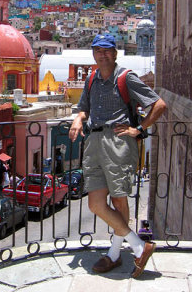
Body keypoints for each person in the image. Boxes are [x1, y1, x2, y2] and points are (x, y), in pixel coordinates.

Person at [69, 34, 167, 278]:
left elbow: (159, 104)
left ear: (114, 53)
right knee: (96, 204)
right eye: (97, 50)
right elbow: (84, 108)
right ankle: (138, 246)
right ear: (93, 53)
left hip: (118, 143)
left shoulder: (126, 77)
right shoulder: (91, 78)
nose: (102, 54)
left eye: (107, 50)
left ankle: (114, 254)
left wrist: (139, 128)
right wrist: (78, 118)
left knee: (119, 200)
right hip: (93, 143)